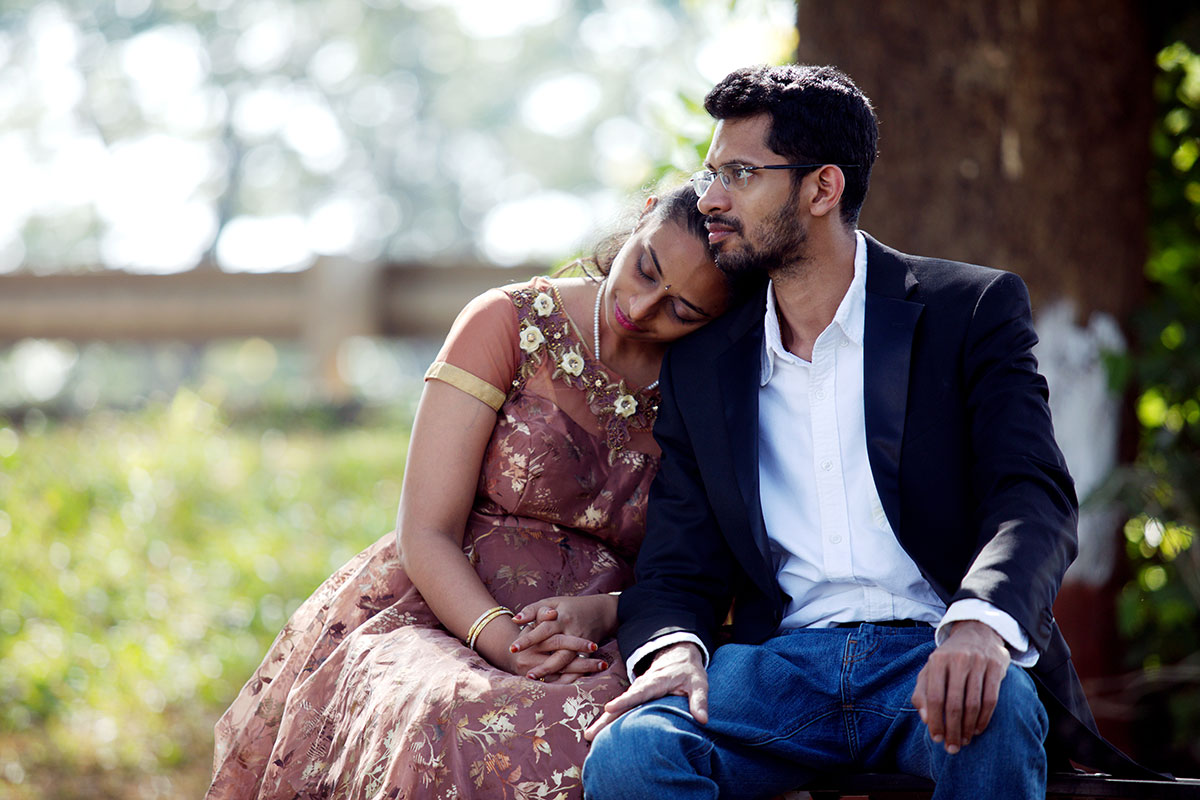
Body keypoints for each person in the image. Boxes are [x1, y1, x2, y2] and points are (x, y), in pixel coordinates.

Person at [582, 65, 1160, 800]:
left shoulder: (968, 310)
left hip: (932, 652)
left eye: (740, 174)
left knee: (995, 711)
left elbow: (1032, 496)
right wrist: (672, 650)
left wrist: (980, 624)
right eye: (712, 172)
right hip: (777, 668)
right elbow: (678, 562)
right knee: (632, 755)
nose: (710, 198)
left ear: (822, 189)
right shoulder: (706, 362)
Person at [206, 183, 738, 800]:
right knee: (448, 713)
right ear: (643, 217)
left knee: (628, 740)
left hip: (607, 634)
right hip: (443, 610)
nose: (642, 308)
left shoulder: (710, 384)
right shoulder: (509, 322)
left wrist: (614, 610)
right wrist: (503, 642)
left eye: (683, 311)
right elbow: (424, 531)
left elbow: (709, 566)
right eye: (645, 269)